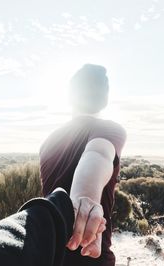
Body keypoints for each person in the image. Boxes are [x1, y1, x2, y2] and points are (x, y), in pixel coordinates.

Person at [40, 64, 127, 266]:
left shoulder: (49, 140)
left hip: (49, 253)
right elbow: (98, 154)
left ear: (71, 95)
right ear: (104, 99)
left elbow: (95, 156)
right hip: (89, 253)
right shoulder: (108, 129)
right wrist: (84, 199)